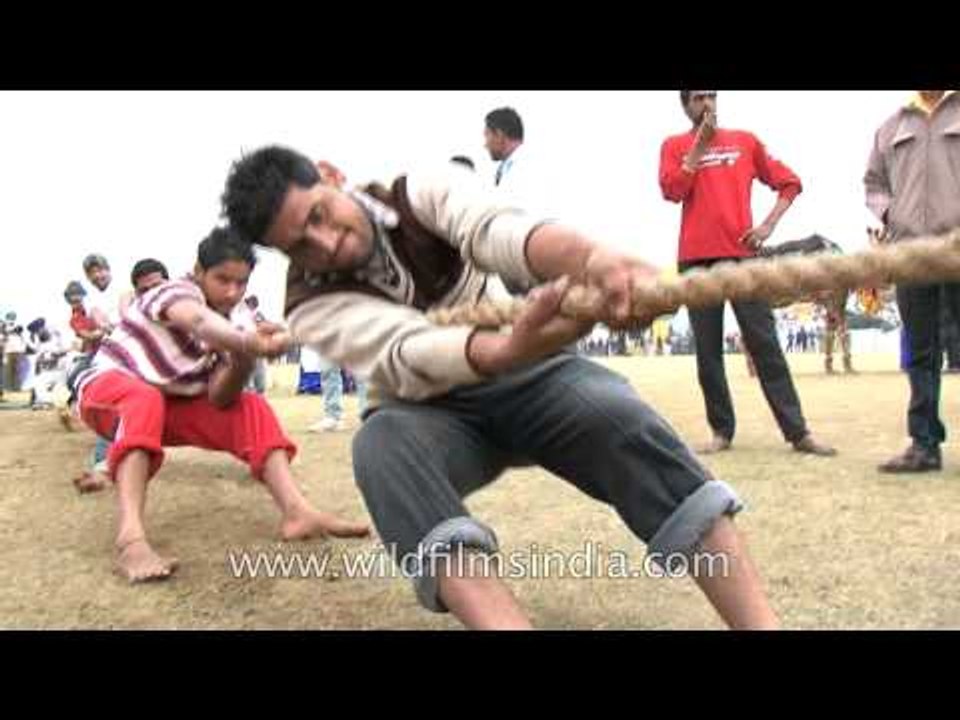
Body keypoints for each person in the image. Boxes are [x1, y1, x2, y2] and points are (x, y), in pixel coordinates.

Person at [221, 144, 779, 630]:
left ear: (331, 174)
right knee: (380, 449)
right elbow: (406, 352)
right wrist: (506, 348)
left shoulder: (420, 189)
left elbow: (499, 231)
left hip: (533, 377)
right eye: (301, 245)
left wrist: (591, 260)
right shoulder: (310, 306)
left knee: (619, 416)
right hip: (430, 412)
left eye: (320, 214)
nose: (327, 245)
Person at [72, 227, 369, 582]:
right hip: (106, 390)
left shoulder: (239, 317)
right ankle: (131, 539)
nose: (232, 291)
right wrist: (248, 343)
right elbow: (197, 320)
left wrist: (243, 359)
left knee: (251, 407)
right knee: (143, 397)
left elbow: (219, 397)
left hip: (167, 408)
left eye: (241, 283)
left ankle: (297, 512)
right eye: (222, 279)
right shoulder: (173, 291)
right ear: (199, 271)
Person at [659, 90, 836, 457]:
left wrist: (768, 225)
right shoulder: (673, 145)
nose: (706, 103)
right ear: (685, 104)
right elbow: (672, 191)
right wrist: (699, 148)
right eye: (697, 98)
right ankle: (721, 431)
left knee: (765, 343)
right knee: (708, 352)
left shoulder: (745, 141)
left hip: (743, 256)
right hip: (696, 261)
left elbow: (790, 182)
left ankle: (798, 432)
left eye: (711, 95)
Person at [864, 90, 960, 473]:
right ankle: (924, 444)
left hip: (958, 249)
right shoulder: (890, 127)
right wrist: (892, 216)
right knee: (920, 352)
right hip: (911, 254)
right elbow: (873, 183)